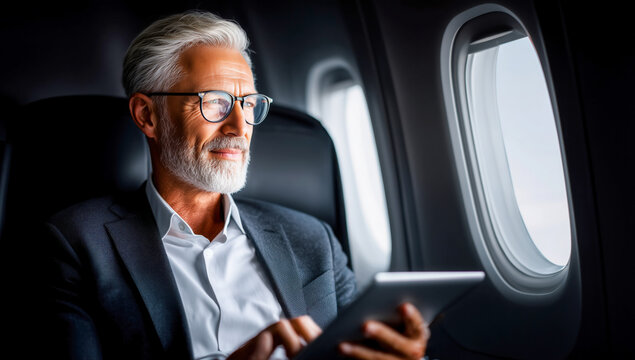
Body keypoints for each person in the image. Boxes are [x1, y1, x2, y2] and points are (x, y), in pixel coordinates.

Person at [39, 10, 430, 360]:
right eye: (215, 102)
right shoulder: (74, 243)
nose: (240, 127)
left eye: (248, 104)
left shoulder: (312, 239)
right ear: (148, 115)